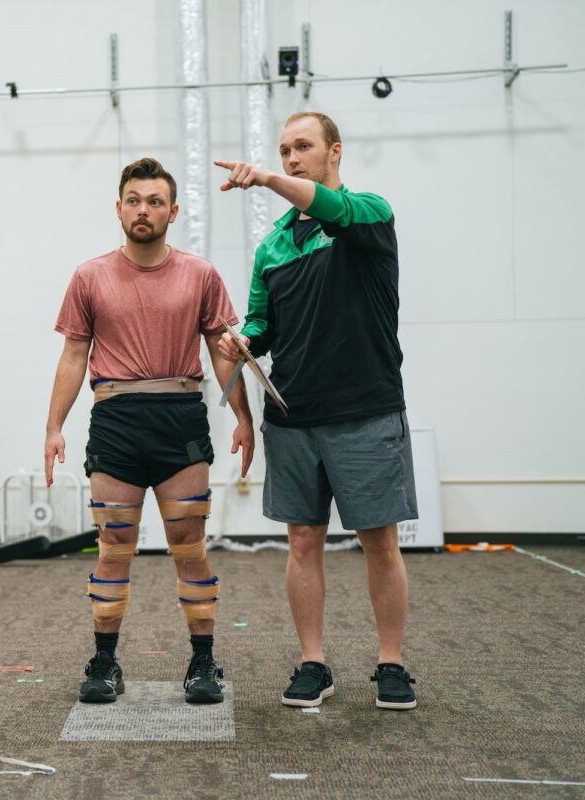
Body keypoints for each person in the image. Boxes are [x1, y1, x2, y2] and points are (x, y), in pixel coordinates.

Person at [214, 111, 419, 710]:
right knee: (303, 542)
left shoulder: (368, 215)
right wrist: (242, 342)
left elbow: (327, 206)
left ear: (335, 150)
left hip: (366, 410)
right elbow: (260, 325)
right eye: (284, 150)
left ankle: (391, 664)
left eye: (303, 146)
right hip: (294, 420)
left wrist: (266, 180)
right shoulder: (273, 247)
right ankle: (313, 662)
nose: (292, 157)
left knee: (379, 541)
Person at [44, 157, 255, 705]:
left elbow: (221, 349)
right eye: (134, 200)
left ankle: (204, 664)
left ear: (173, 211)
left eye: (155, 201)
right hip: (115, 421)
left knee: (189, 544)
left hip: (179, 419)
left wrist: (245, 417)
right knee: (114, 545)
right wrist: (53, 428)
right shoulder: (90, 276)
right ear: (119, 208)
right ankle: (105, 663)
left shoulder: (200, 274)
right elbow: (72, 356)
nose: (144, 210)